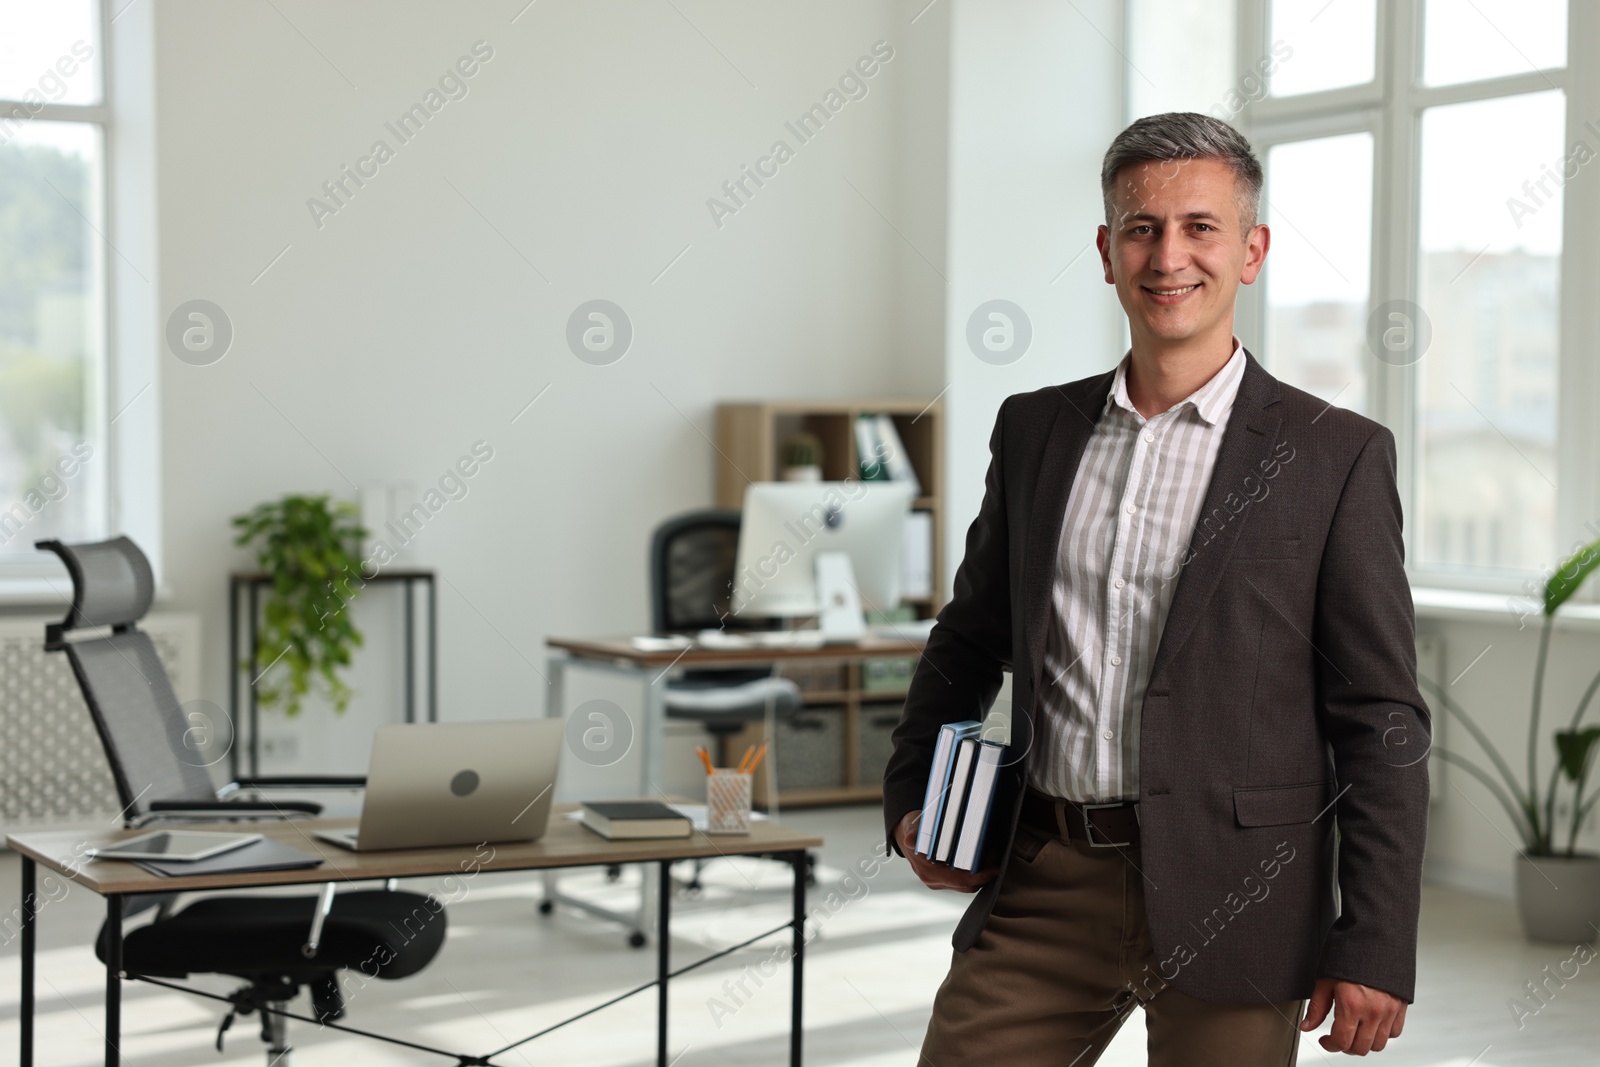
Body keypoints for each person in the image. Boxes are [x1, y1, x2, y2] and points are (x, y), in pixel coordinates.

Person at [883, 111, 1429, 1066]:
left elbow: (1379, 715)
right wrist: (910, 794)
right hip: (1046, 876)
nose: (1168, 254)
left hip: (1240, 895)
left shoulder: (1334, 456)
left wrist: (1375, 938)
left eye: (1200, 227)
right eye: (1141, 227)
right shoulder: (1034, 433)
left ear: (1251, 250)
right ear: (1106, 251)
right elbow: (969, 639)